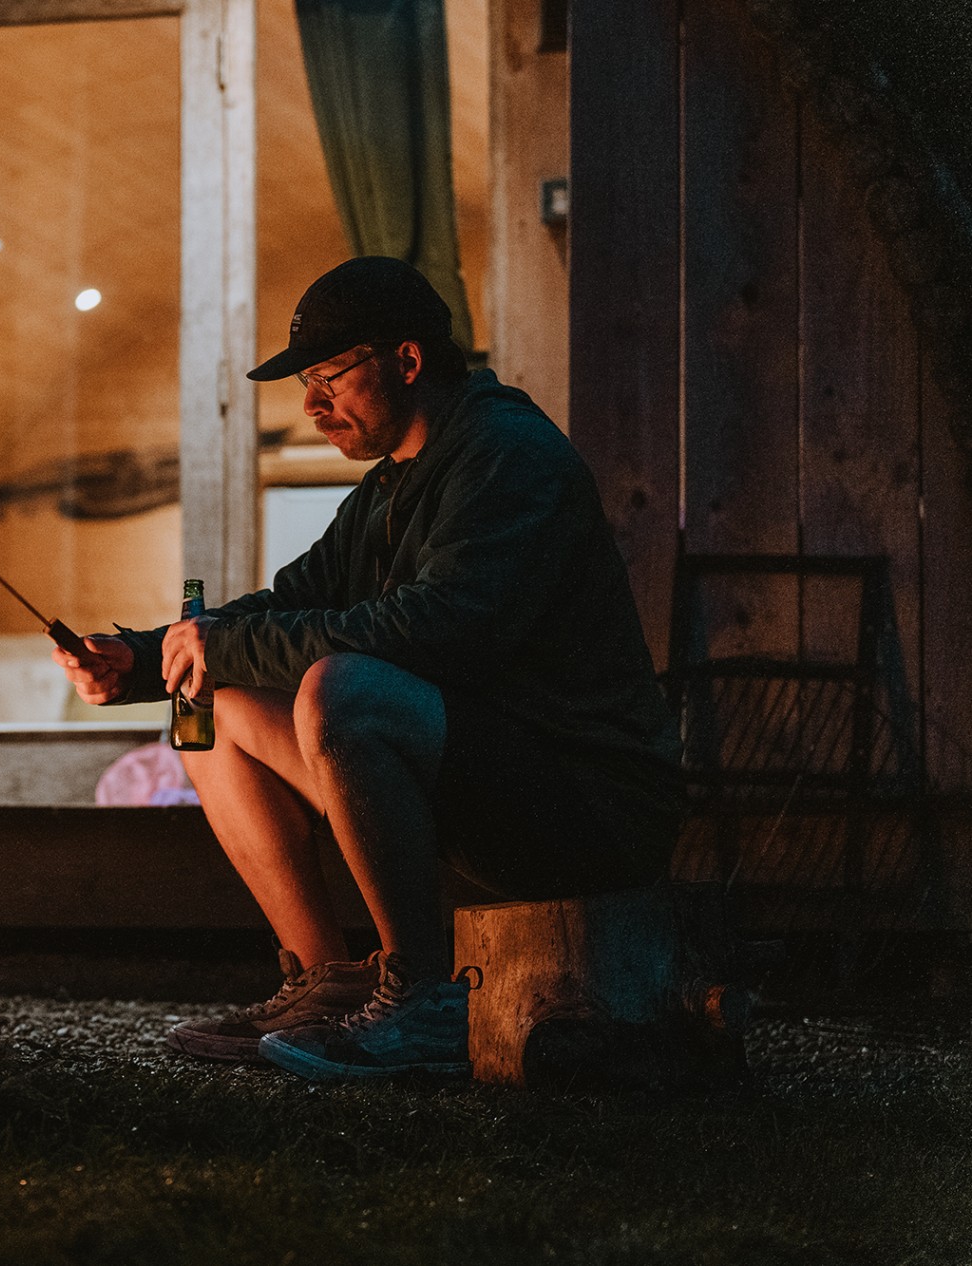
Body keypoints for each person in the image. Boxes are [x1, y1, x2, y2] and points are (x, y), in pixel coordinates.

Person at [55, 257, 681, 1079]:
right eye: (306, 384)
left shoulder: (507, 454)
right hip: (489, 776)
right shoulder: (389, 489)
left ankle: (422, 1000)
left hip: (582, 802)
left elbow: (439, 631)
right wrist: (141, 659)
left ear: (408, 362)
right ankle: (326, 983)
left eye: (330, 379)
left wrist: (225, 643)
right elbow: (290, 602)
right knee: (213, 706)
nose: (312, 406)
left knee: (341, 688)